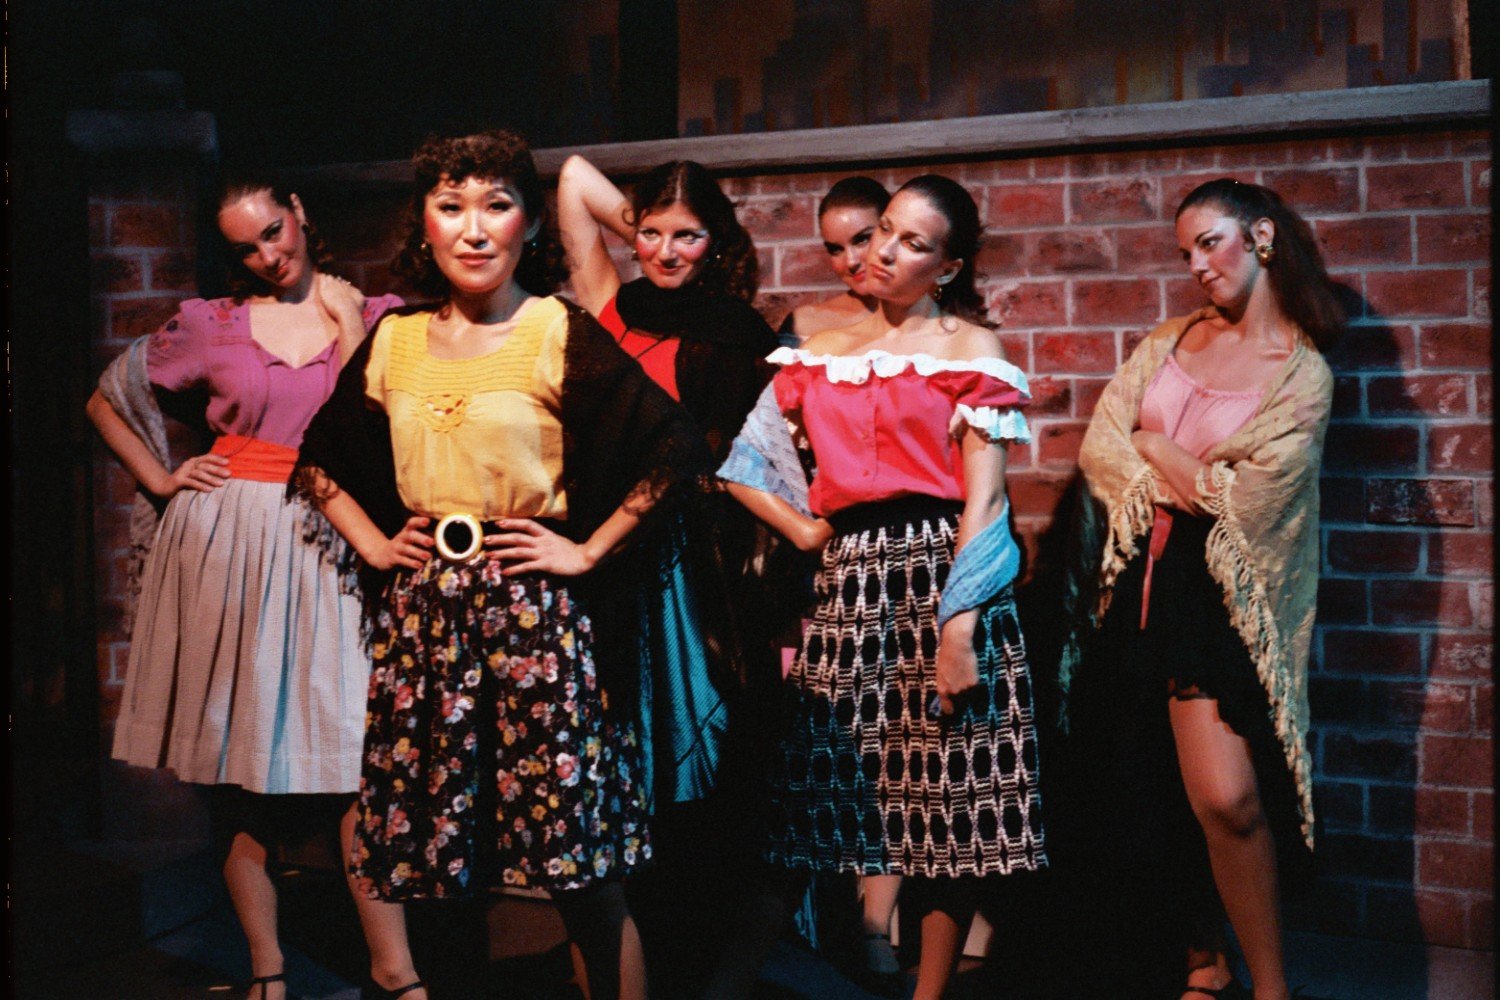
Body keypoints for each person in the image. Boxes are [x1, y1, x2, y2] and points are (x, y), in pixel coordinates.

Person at [292, 129, 709, 1000]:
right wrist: (375, 543)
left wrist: (587, 548)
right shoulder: (396, 339)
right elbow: (322, 457)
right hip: (425, 625)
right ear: (427, 225)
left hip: (534, 619)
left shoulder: (558, 328)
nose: (474, 230)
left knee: (581, 867)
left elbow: (669, 445)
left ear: (526, 223)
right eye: (452, 207)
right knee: (435, 861)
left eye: (496, 205)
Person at [722, 174, 1046, 1000]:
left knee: (948, 808)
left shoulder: (972, 353)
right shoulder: (818, 351)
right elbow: (745, 462)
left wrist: (959, 629)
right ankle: (725, 983)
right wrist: (803, 529)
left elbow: (985, 500)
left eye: (911, 242)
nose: (882, 252)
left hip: (946, 579)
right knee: (808, 793)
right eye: (881, 233)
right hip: (850, 580)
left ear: (946, 266)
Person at [89, 170, 402, 1000]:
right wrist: (159, 479)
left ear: (299, 213)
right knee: (241, 764)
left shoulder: (376, 318)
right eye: (246, 247)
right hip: (230, 540)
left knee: (353, 758)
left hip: (333, 534)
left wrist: (343, 321)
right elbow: (104, 401)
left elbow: (384, 415)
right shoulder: (213, 326)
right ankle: (267, 966)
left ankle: (394, 971)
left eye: (275, 230)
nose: (268, 254)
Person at [1062, 178, 1340, 1000]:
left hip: (1217, 594)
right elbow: (1099, 452)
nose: (1197, 265)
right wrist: (1165, 462)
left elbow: (1248, 504)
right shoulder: (1166, 341)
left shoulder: (1301, 374)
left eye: (1209, 242)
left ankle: (1272, 986)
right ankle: (1202, 962)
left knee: (1228, 798)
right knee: (1148, 793)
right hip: (1131, 577)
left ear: (1260, 237)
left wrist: (1158, 442)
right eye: (1185, 252)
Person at [556, 154, 791, 996]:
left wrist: (686, 225)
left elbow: (751, 460)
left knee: (698, 747)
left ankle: (693, 957)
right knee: (615, 744)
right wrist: (654, 216)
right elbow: (576, 178)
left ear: (716, 241)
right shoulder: (606, 306)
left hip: (697, 554)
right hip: (601, 548)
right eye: (649, 232)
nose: (662, 249)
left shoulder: (739, 330)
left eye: (685, 235)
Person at [778, 175, 890, 346]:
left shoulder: (934, 321)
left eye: (862, 240)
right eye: (836, 249)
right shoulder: (804, 325)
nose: (851, 262)